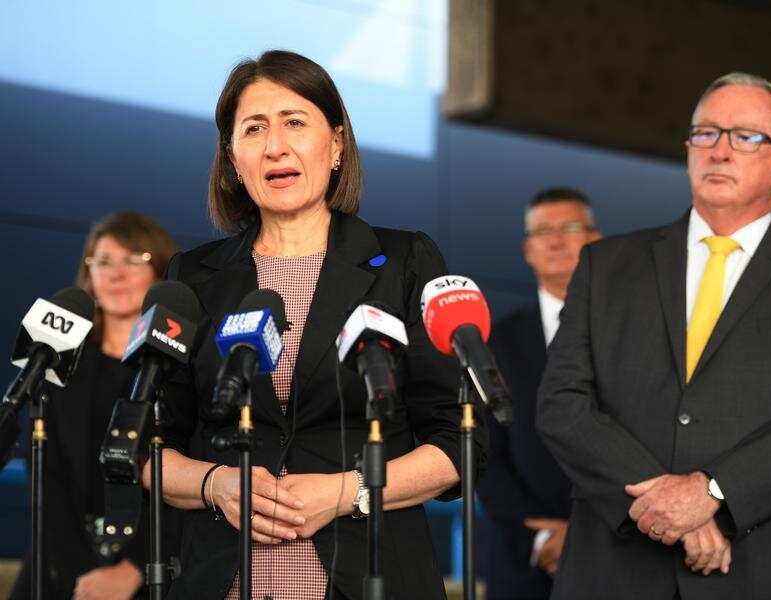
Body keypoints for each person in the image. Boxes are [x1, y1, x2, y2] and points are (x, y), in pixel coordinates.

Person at [146, 49, 487, 600]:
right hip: (223, 578)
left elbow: (459, 441)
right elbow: (150, 444)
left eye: (295, 123)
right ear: (233, 159)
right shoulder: (193, 276)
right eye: (254, 129)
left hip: (371, 575)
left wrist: (347, 492)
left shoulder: (403, 263)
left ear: (337, 144)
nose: (275, 146)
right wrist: (215, 484)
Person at [536, 72, 771, 600]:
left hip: (757, 567)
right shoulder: (607, 265)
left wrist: (715, 492)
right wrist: (668, 503)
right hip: (612, 571)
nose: (719, 151)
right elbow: (561, 404)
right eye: (706, 133)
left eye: (745, 136)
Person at [10, 211, 179, 600]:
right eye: (103, 261)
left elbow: (179, 493)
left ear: (159, 271)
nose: (115, 274)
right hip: (60, 568)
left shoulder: (178, 373)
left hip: (148, 570)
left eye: (132, 260)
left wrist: (133, 570)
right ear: (88, 275)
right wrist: (80, 575)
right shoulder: (58, 364)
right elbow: (47, 482)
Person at [477, 188, 600, 599]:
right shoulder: (495, 342)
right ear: (528, 249)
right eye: (543, 231)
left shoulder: (637, 334)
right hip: (523, 562)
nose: (556, 240)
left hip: (621, 557)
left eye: (570, 227)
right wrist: (544, 536)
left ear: (596, 240)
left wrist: (589, 534)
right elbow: (485, 455)